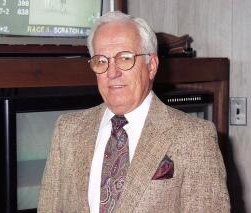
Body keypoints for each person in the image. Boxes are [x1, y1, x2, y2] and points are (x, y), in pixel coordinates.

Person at [38, 11, 230, 213]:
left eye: (125, 58)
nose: (112, 73)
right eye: (102, 61)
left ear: (152, 65)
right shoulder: (67, 131)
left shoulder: (194, 138)